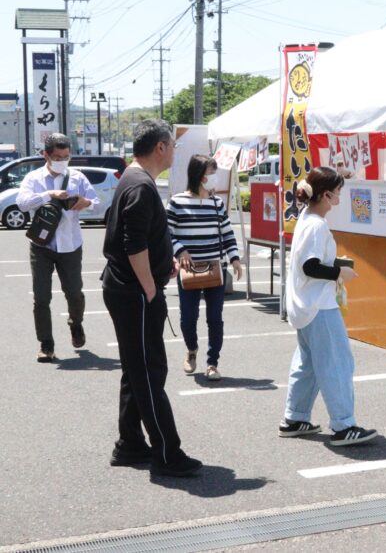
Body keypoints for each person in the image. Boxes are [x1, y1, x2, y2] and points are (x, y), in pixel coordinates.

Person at [102, 119, 202, 477]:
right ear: (160, 147)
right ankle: (167, 453)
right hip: (134, 291)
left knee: (135, 366)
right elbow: (133, 245)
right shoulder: (140, 184)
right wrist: (149, 286)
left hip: (125, 286)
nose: (175, 151)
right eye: (172, 144)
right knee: (149, 370)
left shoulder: (132, 178)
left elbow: (138, 238)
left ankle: (129, 445)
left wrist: (163, 263)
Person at [279, 166, 376, 447]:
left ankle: (295, 418)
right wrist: (338, 272)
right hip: (318, 306)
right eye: (338, 191)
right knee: (336, 363)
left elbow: (307, 263)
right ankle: (344, 425)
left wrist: (333, 266)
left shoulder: (307, 218)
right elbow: (310, 266)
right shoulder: (317, 224)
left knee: (308, 363)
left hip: (306, 306)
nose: (340, 196)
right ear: (326, 194)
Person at [16, 133, 99, 362]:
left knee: (74, 293)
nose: (62, 160)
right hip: (41, 245)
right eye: (57, 157)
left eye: (66, 156)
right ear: (46, 155)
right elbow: (22, 203)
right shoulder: (34, 178)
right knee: (41, 298)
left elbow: (97, 202)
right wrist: (47, 195)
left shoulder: (77, 177)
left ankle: (76, 324)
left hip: (70, 245)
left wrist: (87, 203)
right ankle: (46, 344)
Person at [167, 155, 243, 381]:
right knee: (188, 318)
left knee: (215, 317)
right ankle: (191, 350)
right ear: (200, 176)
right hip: (188, 269)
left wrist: (235, 258)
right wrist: (180, 250)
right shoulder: (177, 202)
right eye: (212, 173)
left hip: (214, 268)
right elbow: (165, 232)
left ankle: (212, 363)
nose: (215, 178)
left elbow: (227, 232)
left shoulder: (216, 203)